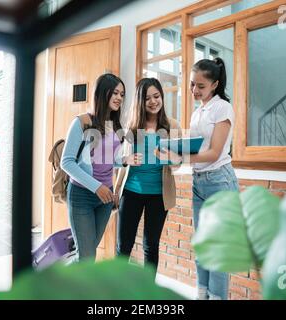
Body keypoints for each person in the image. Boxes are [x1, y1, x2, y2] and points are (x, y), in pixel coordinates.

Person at [155, 58, 239, 299]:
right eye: (192, 84)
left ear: (214, 84)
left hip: (220, 182)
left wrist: (180, 158)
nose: (194, 90)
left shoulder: (222, 108)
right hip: (199, 181)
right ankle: (202, 295)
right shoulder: (196, 113)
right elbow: (194, 151)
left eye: (200, 86)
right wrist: (172, 153)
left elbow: (213, 153)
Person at [114, 77, 182, 277]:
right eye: (147, 98)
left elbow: (178, 164)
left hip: (159, 195)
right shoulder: (130, 126)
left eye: (157, 96)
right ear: (140, 101)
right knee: (123, 246)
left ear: (162, 97)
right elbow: (118, 159)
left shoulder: (172, 126)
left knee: (151, 246)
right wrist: (125, 162)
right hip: (131, 191)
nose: (153, 101)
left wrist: (170, 158)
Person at [61, 73, 129, 262]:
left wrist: (124, 160)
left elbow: (105, 159)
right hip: (82, 195)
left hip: (105, 198)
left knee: (89, 254)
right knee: (86, 256)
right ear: (102, 93)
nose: (119, 98)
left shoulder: (115, 126)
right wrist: (96, 187)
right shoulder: (82, 122)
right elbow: (66, 162)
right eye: (115, 93)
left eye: (122, 94)